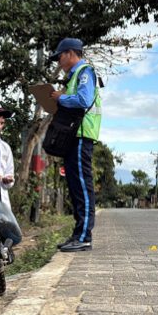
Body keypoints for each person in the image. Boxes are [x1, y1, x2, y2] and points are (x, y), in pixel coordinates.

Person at [48, 38, 101, 252]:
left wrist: (60, 98)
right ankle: (78, 234)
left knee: (81, 184)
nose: (59, 62)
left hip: (82, 135)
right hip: (73, 136)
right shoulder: (73, 77)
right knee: (74, 186)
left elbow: (83, 100)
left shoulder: (85, 72)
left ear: (70, 53)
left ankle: (84, 236)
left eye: (60, 57)